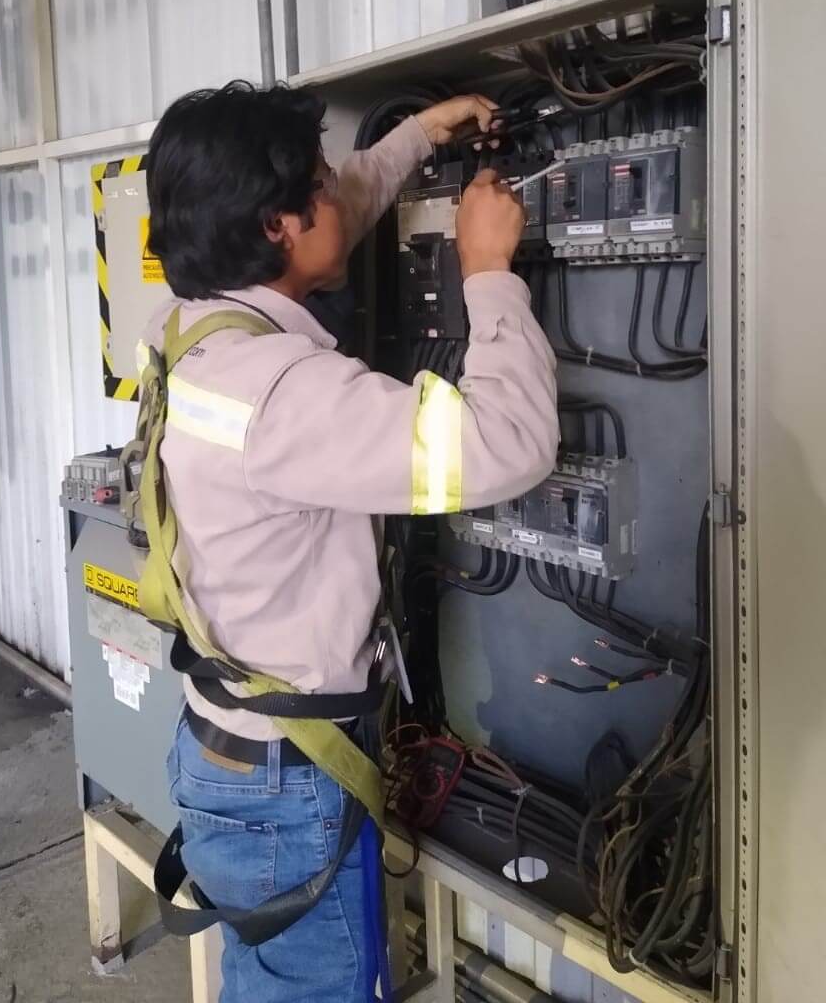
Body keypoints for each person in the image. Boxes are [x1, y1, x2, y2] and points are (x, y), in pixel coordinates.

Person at [140, 79, 559, 1002]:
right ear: (279, 224)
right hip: (289, 789)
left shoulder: (196, 332)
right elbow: (510, 446)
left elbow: (336, 213)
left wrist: (417, 136)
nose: (341, 193)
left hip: (231, 754)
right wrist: (488, 271)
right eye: (320, 185)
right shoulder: (283, 398)